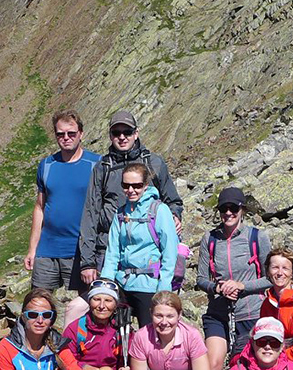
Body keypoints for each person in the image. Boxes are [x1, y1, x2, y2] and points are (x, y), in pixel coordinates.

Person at [77, 111, 182, 293]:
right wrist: (87, 261)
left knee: (152, 315)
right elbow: (90, 214)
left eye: (127, 132)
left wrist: (175, 215)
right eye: (117, 133)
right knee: (107, 311)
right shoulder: (102, 168)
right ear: (111, 136)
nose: (122, 137)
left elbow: (172, 200)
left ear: (136, 133)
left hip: (149, 255)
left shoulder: (154, 163)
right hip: (107, 253)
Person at [24, 110, 101, 322]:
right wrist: (32, 248)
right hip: (47, 249)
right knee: (37, 305)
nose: (66, 138)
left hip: (80, 250)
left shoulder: (96, 164)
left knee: (86, 306)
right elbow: (40, 207)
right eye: (60, 134)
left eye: (71, 133)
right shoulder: (47, 165)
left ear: (81, 134)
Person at [197, 186, 271, 370]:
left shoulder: (257, 237)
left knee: (247, 367)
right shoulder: (209, 239)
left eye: (233, 208)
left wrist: (242, 286)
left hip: (251, 312)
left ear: (242, 210)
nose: (228, 213)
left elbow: (271, 279)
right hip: (219, 312)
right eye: (223, 209)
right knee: (213, 365)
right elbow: (201, 278)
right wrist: (217, 288)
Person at [100, 163, 178, 327]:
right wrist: (106, 283)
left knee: (150, 335)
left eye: (136, 185)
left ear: (146, 185)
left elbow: (170, 252)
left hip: (149, 285)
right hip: (122, 283)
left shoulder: (159, 210)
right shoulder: (120, 213)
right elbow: (113, 251)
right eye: (126, 185)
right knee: (115, 333)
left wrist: (164, 290)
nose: (131, 190)